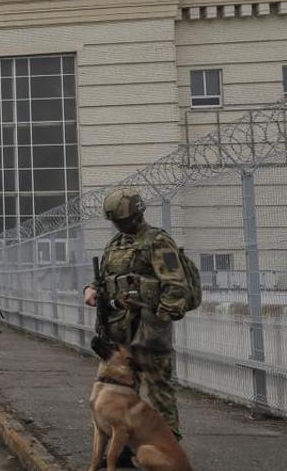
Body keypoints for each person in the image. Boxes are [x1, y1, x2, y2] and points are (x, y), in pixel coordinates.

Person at [83, 188, 188, 440]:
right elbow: (106, 279)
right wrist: (91, 289)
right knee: (116, 391)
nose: (118, 225)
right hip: (119, 330)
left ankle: (166, 448)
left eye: (121, 220)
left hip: (149, 330)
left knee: (158, 390)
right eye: (115, 221)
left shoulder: (158, 241)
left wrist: (159, 319)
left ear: (135, 215)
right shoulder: (115, 244)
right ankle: (122, 449)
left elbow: (175, 285)